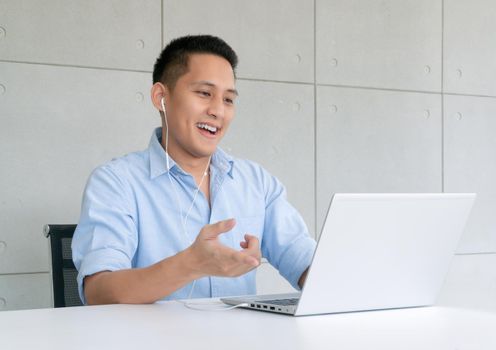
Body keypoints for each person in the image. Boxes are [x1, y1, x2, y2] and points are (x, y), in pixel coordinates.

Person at [72, 35, 316, 305]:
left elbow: (305, 260)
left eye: (228, 100)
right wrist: (190, 264)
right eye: (204, 93)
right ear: (161, 97)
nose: (218, 111)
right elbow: (99, 293)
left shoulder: (256, 182)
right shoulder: (116, 182)